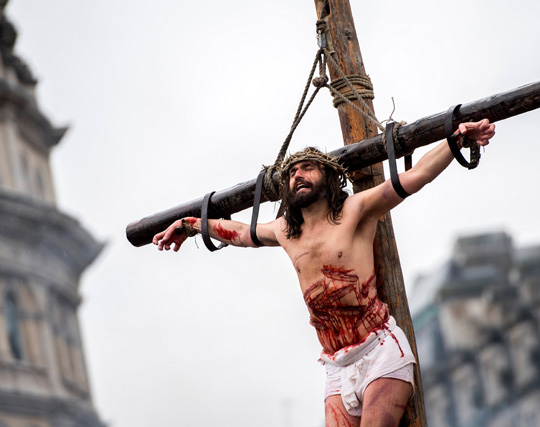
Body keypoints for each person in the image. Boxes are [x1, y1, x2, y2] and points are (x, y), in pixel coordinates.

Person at [153, 119, 495, 427]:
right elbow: (240, 233)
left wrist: (456, 141)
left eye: (307, 168)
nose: (298, 175)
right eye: (292, 173)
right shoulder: (285, 231)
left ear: (328, 177)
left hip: (379, 351)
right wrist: (191, 224)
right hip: (336, 365)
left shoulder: (355, 209)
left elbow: (414, 176)